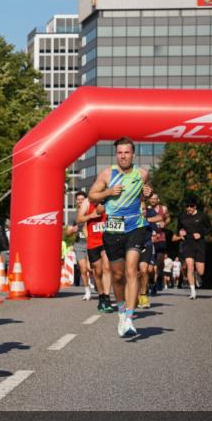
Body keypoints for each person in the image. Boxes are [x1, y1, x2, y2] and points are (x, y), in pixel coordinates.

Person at [89, 137, 151, 337]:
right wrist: (108, 192)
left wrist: (149, 194)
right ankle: (122, 311)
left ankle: (130, 319)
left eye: (127, 152)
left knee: (132, 269)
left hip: (135, 225)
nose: (123, 156)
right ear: (117, 154)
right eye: (120, 152)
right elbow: (92, 196)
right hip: (114, 227)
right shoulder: (108, 174)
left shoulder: (142, 174)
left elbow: (146, 195)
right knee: (117, 275)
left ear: (133, 154)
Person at [78, 194, 114, 313]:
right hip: (93, 242)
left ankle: (107, 298)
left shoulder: (110, 200)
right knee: (97, 272)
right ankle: (101, 296)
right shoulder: (87, 202)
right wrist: (91, 215)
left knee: (107, 268)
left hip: (107, 239)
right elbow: (79, 219)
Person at [176, 198, 210, 300]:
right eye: (187, 207)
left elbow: (209, 228)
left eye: (191, 206)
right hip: (187, 243)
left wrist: (201, 234)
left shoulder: (202, 216)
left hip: (199, 244)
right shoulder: (182, 216)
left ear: (195, 206)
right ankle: (193, 291)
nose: (189, 208)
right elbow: (178, 228)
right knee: (189, 266)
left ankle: (197, 275)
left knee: (201, 271)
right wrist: (180, 232)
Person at [70, 191, 94, 300]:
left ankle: (95, 280)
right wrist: (72, 230)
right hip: (79, 244)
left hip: (91, 243)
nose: (79, 201)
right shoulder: (73, 215)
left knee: (91, 269)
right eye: (78, 199)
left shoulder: (90, 212)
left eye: (82, 199)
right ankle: (87, 291)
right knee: (83, 269)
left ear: (86, 200)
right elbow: (67, 232)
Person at [148, 193, 170, 294]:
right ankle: (152, 283)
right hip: (149, 238)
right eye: (151, 198)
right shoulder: (145, 209)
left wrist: (165, 223)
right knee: (149, 264)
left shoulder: (163, 208)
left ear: (158, 199)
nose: (152, 200)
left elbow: (168, 218)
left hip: (161, 237)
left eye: (154, 199)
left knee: (160, 261)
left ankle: (159, 277)